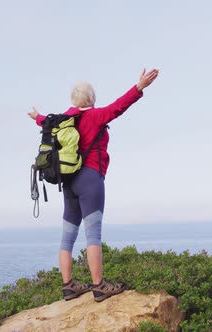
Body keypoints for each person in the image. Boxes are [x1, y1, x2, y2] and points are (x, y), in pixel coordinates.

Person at [27, 68, 159, 302]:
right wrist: (139, 87)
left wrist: (37, 116)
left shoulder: (63, 119)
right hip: (90, 180)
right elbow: (119, 106)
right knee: (93, 236)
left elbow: (45, 122)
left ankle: (68, 287)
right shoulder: (96, 116)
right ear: (90, 98)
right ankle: (99, 286)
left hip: (68, 182)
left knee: (67, 237)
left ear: (73, 100)